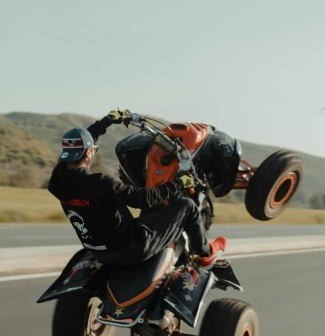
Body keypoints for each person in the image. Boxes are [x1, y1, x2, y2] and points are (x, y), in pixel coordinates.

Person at [48, 109, 227, 266]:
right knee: (187, 205)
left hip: (98, 250)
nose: (94, 151)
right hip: (129, 248)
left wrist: (107, 121)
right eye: (93, 149)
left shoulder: (58, 179)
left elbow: (84, 141)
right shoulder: (101, 182)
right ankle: (205, 254)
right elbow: (143, 199)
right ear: (88, 152)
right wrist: (179, 183)